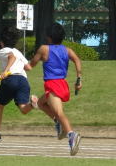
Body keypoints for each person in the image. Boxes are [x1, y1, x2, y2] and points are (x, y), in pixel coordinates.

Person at [29, 23, 82, 156]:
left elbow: (31, 65)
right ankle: (59, 124)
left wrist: (19, 65)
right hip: (62, 84)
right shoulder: (67, 50)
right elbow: (77, 60)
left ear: (49, 37)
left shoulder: (44, 49)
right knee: (40, 103)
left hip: (53, 84)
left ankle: (71, 134)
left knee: (59, 112)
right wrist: (79, 79)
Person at [0, 27, 38, 142]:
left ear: (2, 42)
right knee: (24, 109)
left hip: (11, 79)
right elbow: (29, 67)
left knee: (0, 106)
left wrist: (6, 70)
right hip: (23, 81)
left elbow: (12, 57)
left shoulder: (3, 50)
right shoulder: (19, 52)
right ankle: (33, 103)